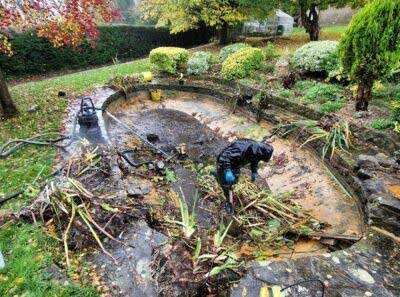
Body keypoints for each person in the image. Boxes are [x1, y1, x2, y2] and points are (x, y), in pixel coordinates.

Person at [215, 139, 274, 213]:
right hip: (223, 163)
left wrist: (254, 171)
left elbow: (254, 161)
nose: (260, 159)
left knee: (234, 180)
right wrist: (227, 171)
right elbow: (224, 158)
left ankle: (219, 177)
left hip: (236, 164)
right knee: (226, 184)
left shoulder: (257, 151)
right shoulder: (241, 147)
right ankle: (228, 201)